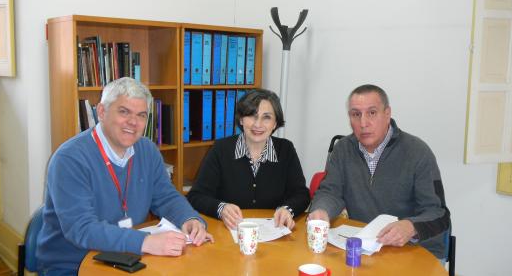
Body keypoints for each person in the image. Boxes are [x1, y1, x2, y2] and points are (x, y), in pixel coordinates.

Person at [37, 77, 213, 275]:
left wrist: (188, 218)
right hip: (73, 263)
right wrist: (145, 241)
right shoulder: (69, 159)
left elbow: (165, 196)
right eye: (124, 112)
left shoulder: (147, 149)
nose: (133, 122)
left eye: (141, 115)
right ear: (102, 112)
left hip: (126, 257)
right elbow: (81, 229)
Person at [309, 84, 450, 259]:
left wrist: (411, 226)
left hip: (416, 251)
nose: (363, 123)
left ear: (387, 114)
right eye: (356, 114)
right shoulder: (343, 149)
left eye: (372, 113)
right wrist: (322, 210)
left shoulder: (417, 152)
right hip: (367, 249)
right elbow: (330, 192)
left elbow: (439, 214)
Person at [187, 89, 310, 230]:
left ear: (275, 123)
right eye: (252, 115)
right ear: (241, 119)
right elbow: (196, 196)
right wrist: (221, 208)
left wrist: (288, 209)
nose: (258, 124)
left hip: (274, 234)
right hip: (229, 233)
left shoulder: (285, 150)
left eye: (267, 117)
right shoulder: (221, 149)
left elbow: (301, 194)